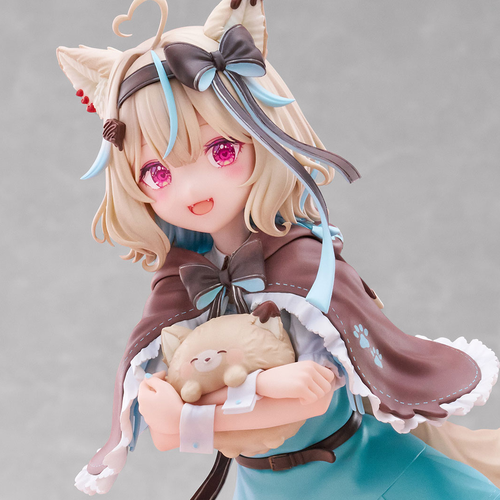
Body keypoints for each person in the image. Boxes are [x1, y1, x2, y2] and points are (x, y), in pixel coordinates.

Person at [57, 0, 500, 498]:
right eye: (157, 172)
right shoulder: (180, 287)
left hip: (370, 475)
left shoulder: (303, 267)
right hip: (263, 486)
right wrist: (259, 391)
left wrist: (191, 413)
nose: (192, 189)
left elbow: (309, 398)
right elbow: (161, 429)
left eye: (221, 150)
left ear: (262, 135)